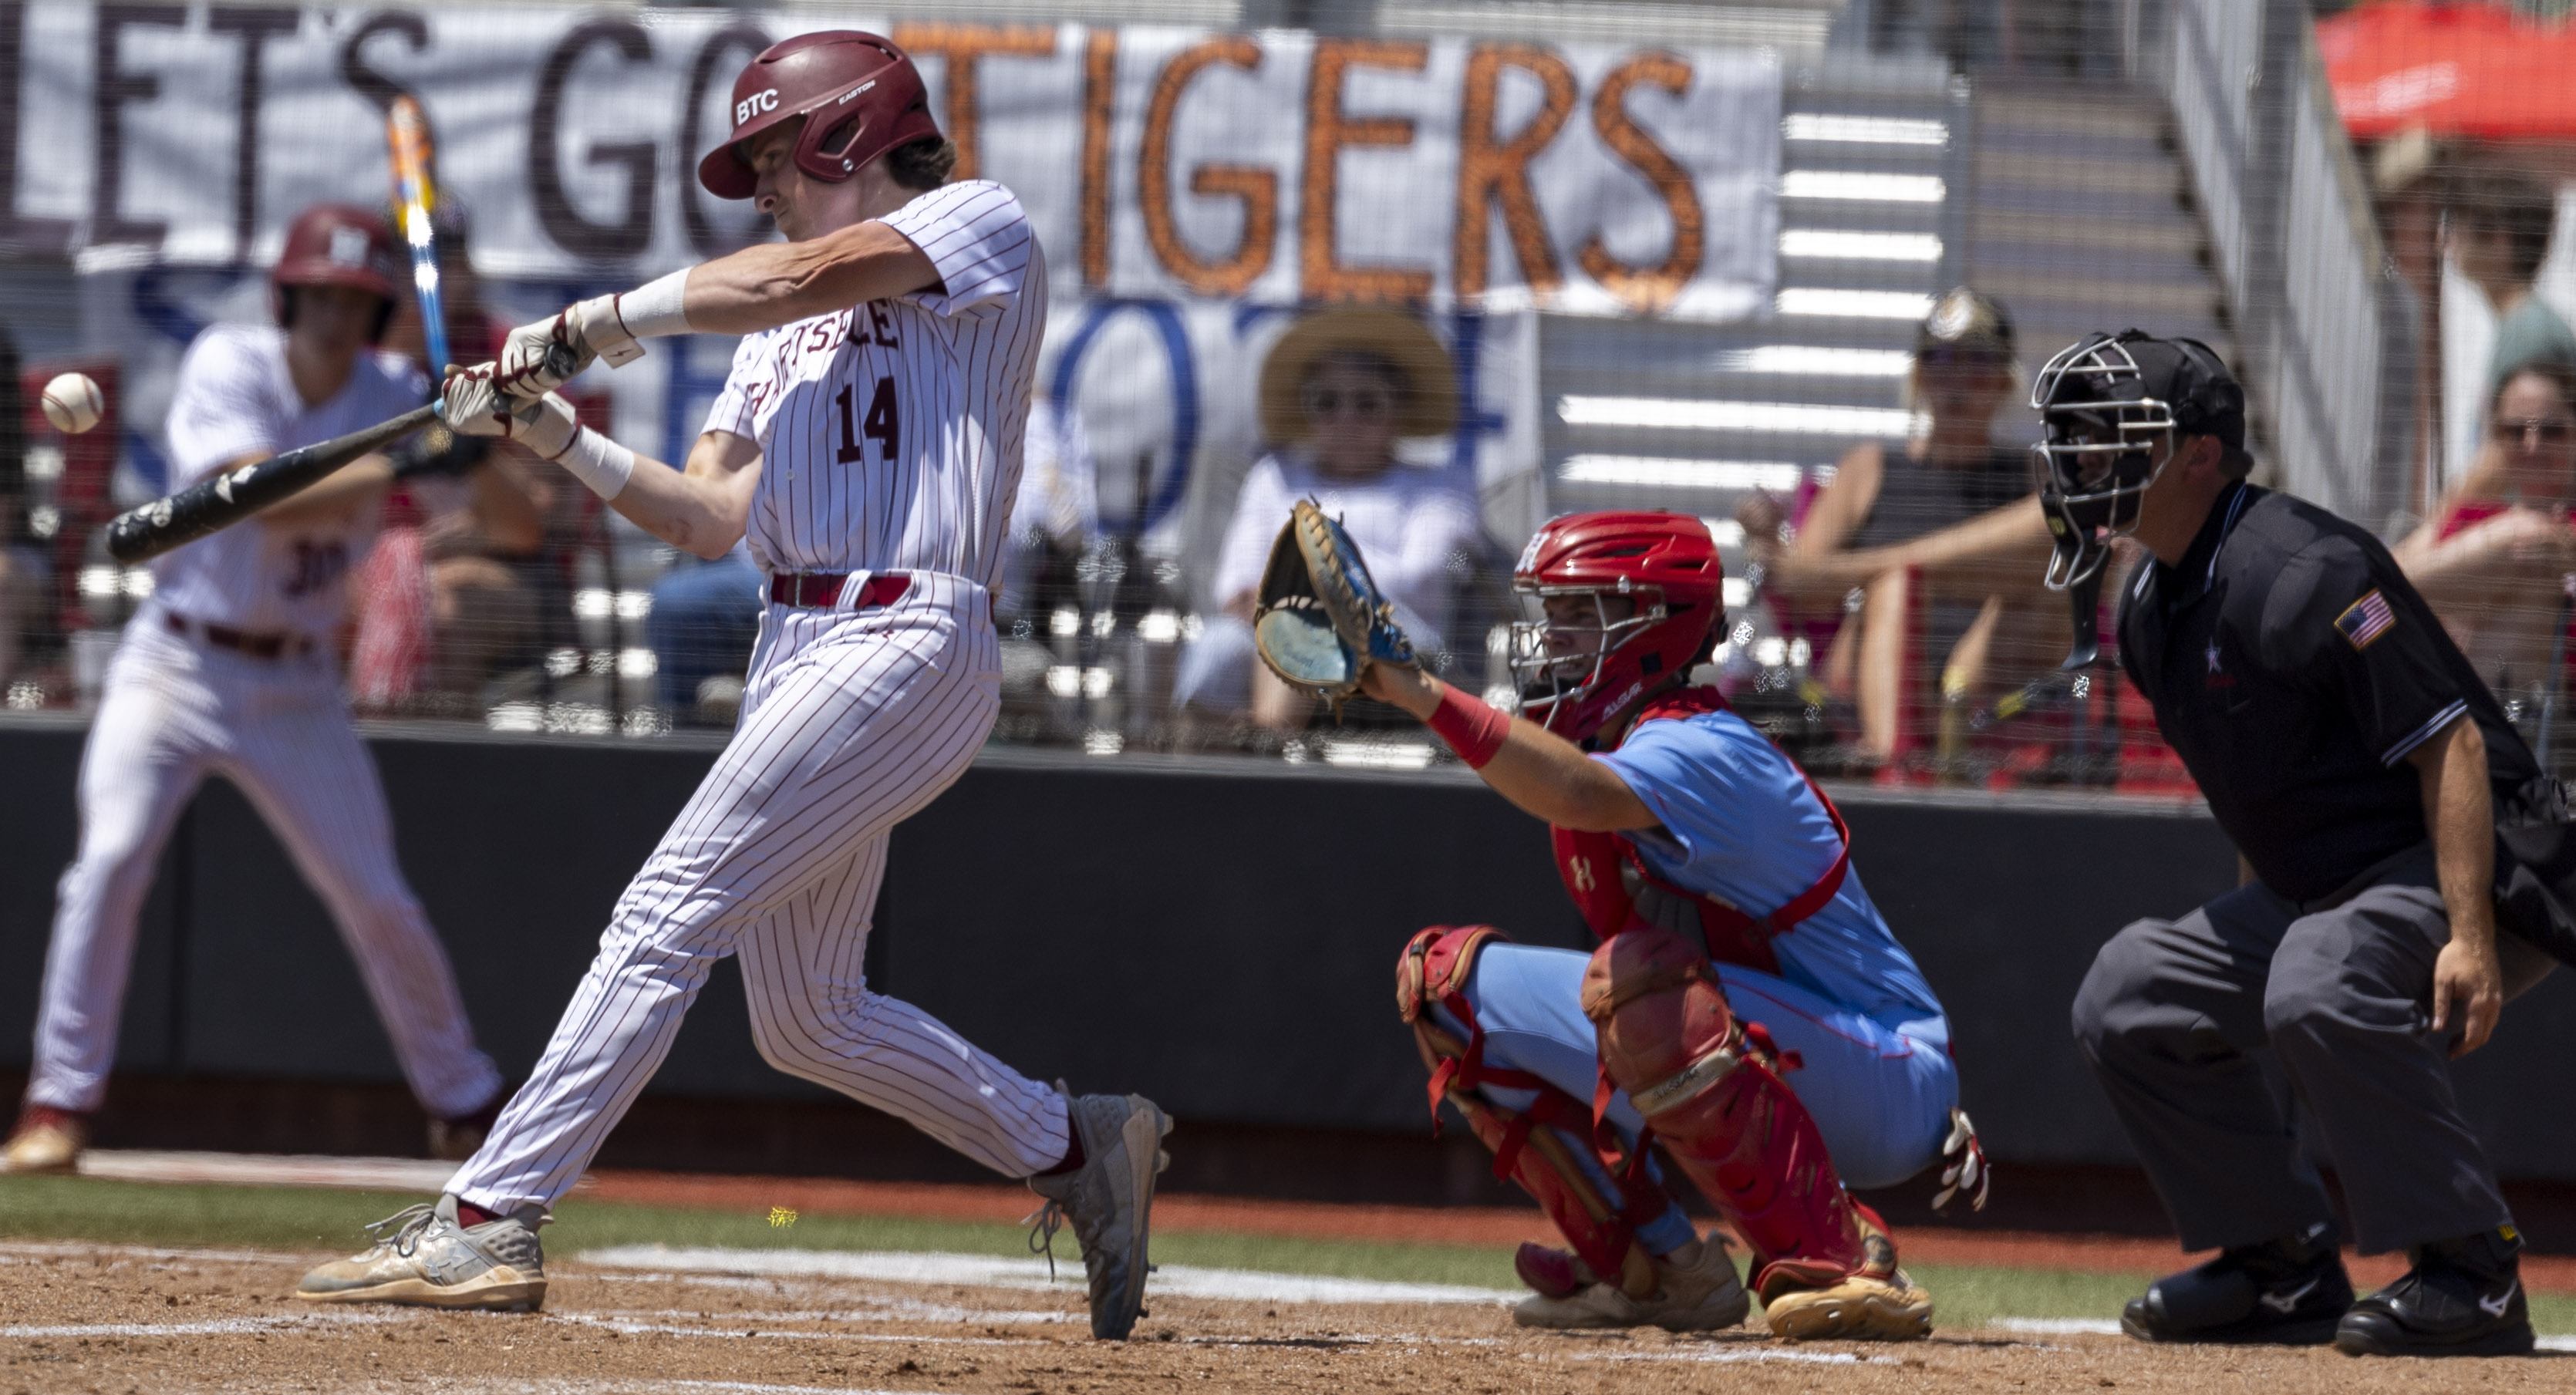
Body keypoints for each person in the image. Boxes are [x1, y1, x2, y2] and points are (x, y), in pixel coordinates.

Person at [292, 32, 1168, 1341]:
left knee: (665, 906)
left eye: (772, 154)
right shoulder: (774, 329)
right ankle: (1076, 1142)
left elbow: (805, 267)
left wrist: (594, 323)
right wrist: (554, 429)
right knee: (809, 1017)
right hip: (794, 648)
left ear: (843, 134)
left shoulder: (976, 226)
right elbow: (707, 518)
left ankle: (489, 1218)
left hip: (908, 630)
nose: (760, 184)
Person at [2042, 330, 2559, 1358]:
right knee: (2130, 989)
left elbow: (2450, 740)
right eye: (2081, 442)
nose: (2085, 464)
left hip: (2479, 866)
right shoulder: (2148, 603)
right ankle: (2278, 1266)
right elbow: (2258, 802)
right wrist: (2264, 945)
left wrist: (2468, 938)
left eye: (2116, 440)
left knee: (2316, 977)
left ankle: (2475, 1269)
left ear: (2199, 456)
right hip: (2329, 886)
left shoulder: (2301, 567)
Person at [1357, 510, 1966, 1341]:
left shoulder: (1704, 745)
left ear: (1654, 624)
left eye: (1580, 615)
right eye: (1552, 616)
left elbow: (1568, 791)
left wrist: (1420, 692)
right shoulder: (1613, 748)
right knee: (1444, 984)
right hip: (1793, 1047)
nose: (1552, 639)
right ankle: (1654, 1270)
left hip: (1886, 1072)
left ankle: (1846, 1259)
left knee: (1639, 982)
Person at [0, 204, 505, 1175]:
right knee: (107, 863)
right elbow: (253, 492)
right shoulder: (231, 362)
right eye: (318, 294)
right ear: (288, 294)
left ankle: (467, 1105)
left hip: (300, 685)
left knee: (376, 896)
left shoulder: (398, 390)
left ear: (373, 312)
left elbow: (516, 531)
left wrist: (483, 446)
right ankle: (57, 1102)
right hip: (177, 664)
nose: (332, 316)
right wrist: (407, 455)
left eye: (353, 300)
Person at [1740, 288, 2058, 769]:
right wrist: (1766, 541)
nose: (1957, 381)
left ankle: (1900, 761)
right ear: (1920, 376)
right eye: (1942, 361)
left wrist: (1856, 571)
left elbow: (2069, 555)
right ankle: (1894, 766)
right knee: (1895, 586)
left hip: (1986, 682)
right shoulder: (1869, 468)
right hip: (1868, 680)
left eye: (1977, 363)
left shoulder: (2034, 474)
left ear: (2004, 380)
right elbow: (1797, 587)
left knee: (2052, 545)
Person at [1175, 308, 1484, 730]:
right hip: (1270, 630)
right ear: (1309, 410)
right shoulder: (1273, 477)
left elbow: (1424, 577)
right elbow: (1235, 584)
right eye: (1327, 402)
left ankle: (1265, 748)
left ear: (1399, 409)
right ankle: (1185, 763)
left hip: (1396, 642)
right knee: (1215, 648)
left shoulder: (1439, 487)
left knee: (1306, 625)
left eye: (1367, 403)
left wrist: (1309, 593)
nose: (1346, 418)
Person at [2393, 359, 2576, 725]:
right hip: (2450, 701)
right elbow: (2390, 563)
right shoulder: (2471, 517)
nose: (2532, 444)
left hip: (2546, 720)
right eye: (2514, 430)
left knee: (2526, 541)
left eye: (2553, 431)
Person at [2447, 170, 2576, 403]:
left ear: (2500, 238)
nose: (2446, 238)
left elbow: (2523, 438)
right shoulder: (2523, 327)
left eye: (2458, 225)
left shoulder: (2528, 335)